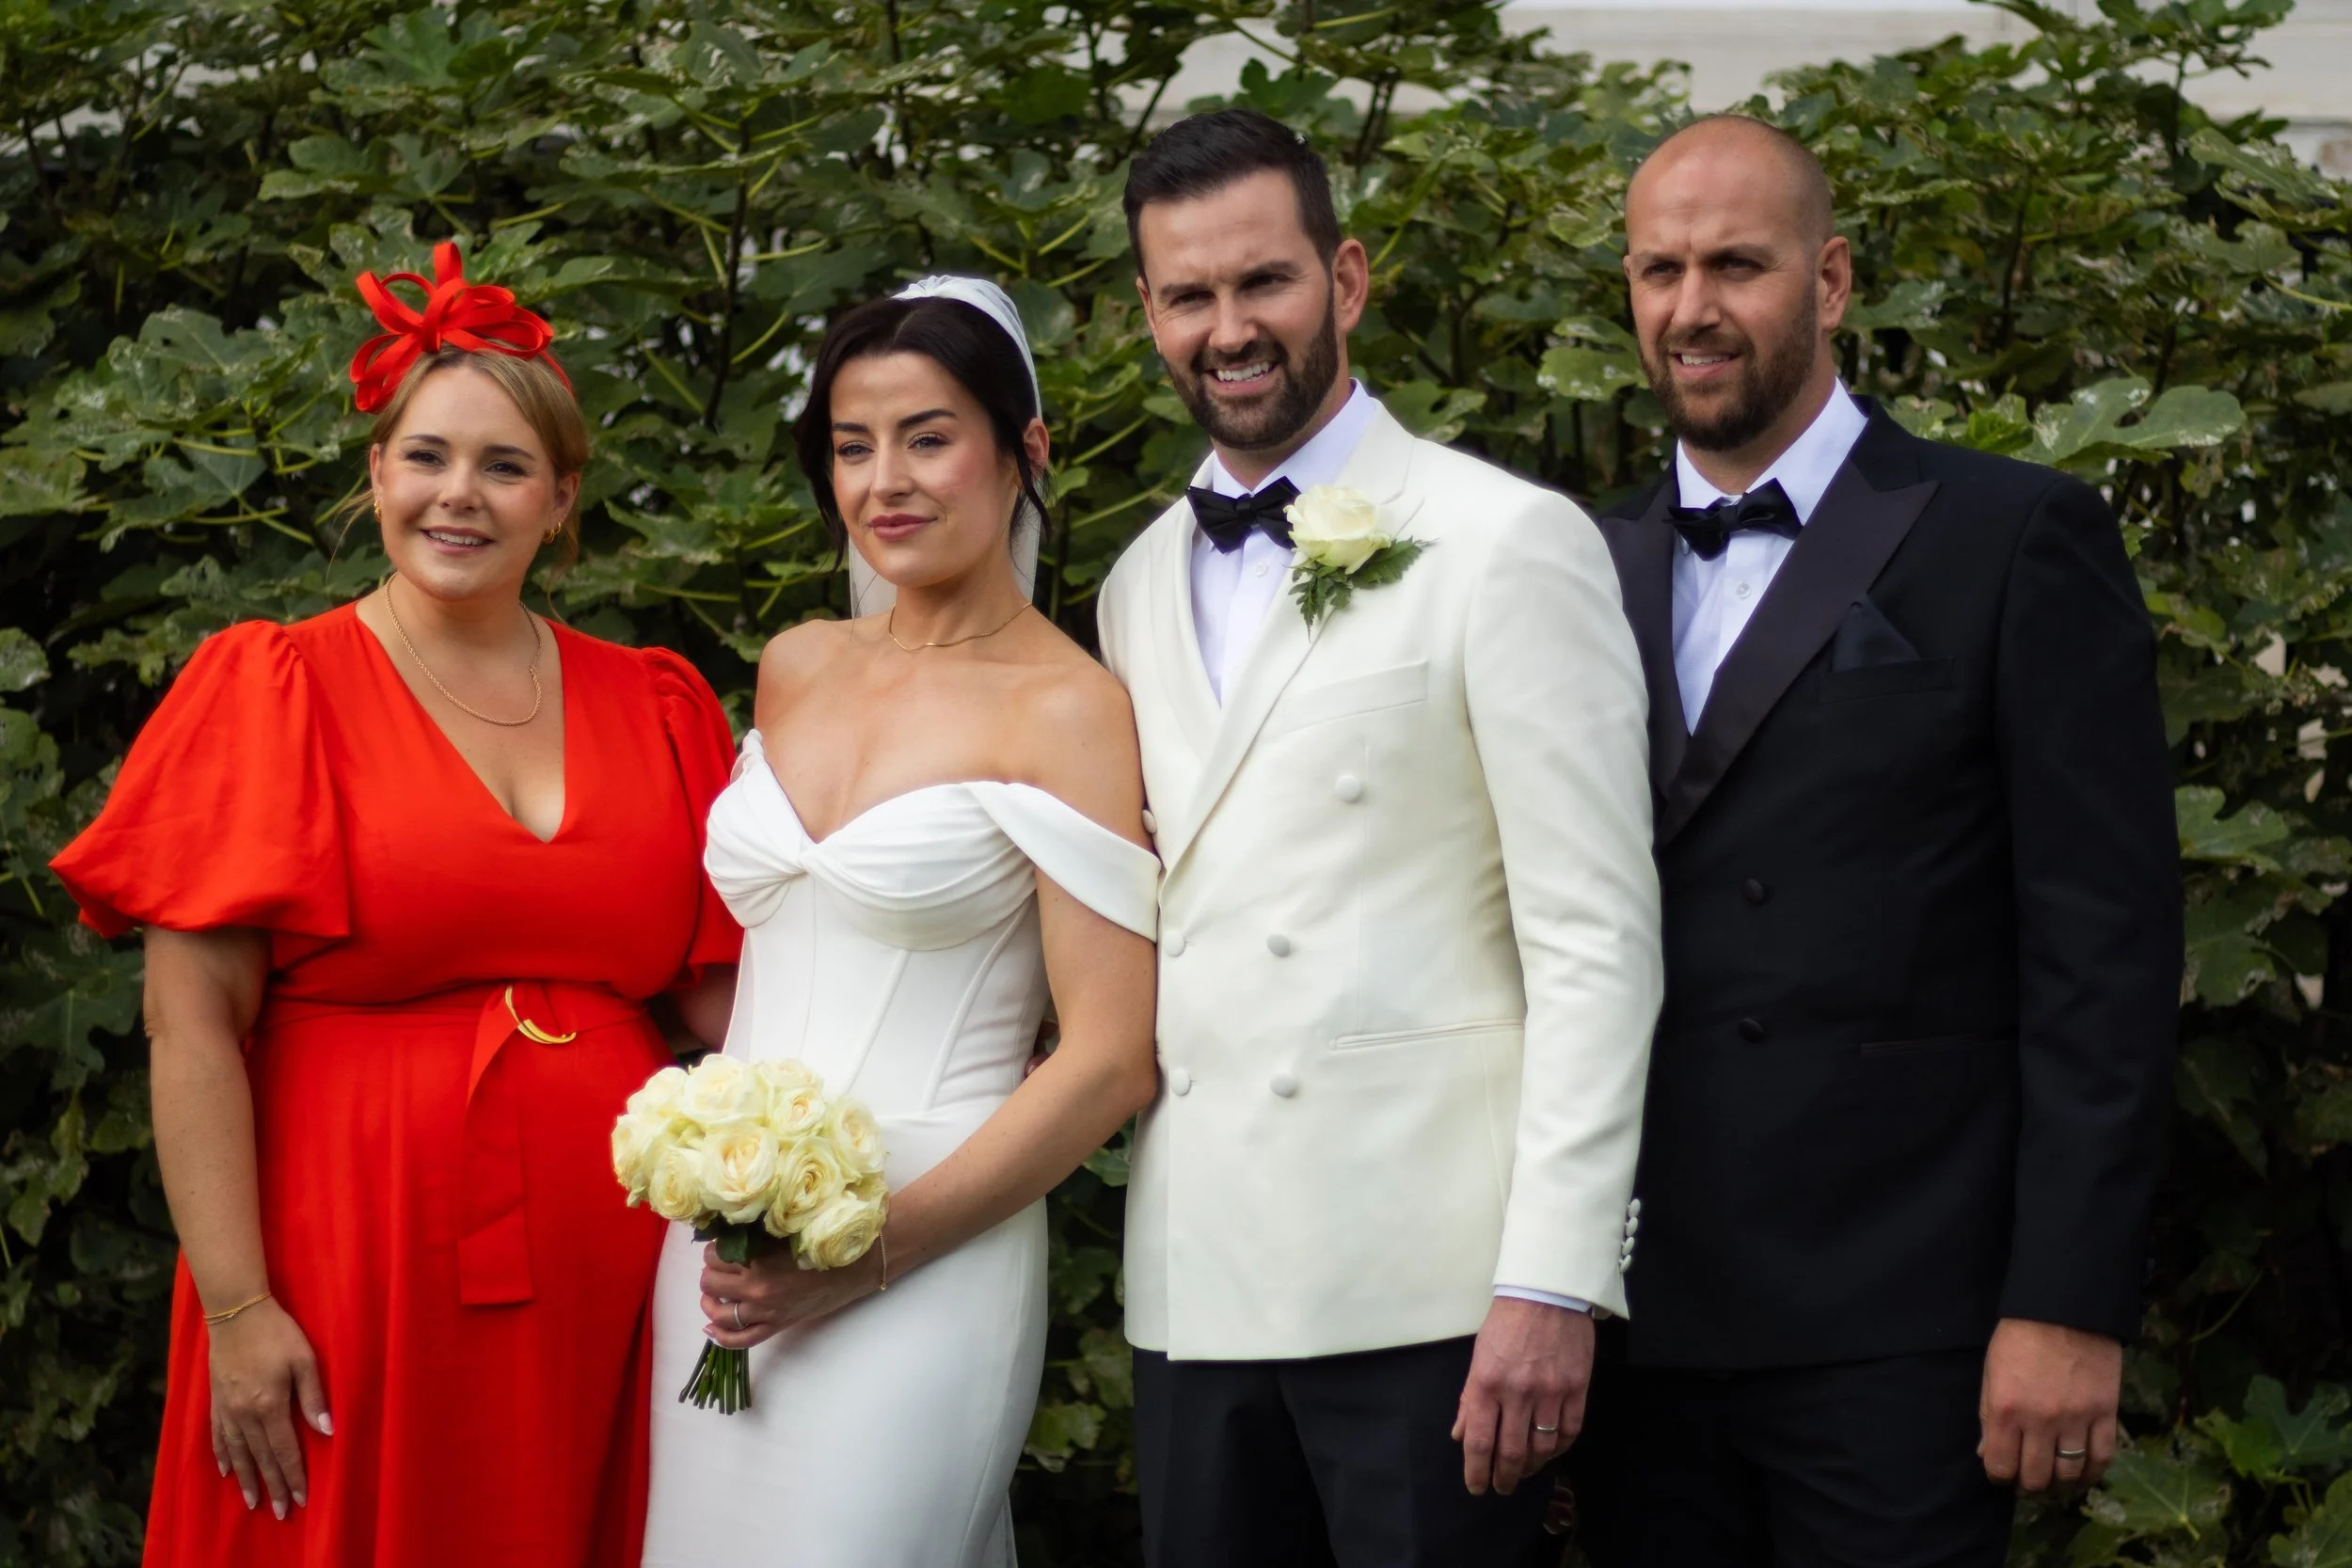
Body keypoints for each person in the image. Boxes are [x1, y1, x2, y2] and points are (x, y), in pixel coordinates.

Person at [48, 243, 742, 1567]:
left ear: (563, 496)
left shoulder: (655, 702)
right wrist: (243, 1306)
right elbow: (190, 1024)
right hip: (345, 1253)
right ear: (376, 474)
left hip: (610, 1273)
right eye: (425, 456)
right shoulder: (276, 687)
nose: (457, 495)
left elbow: (723, 996)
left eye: (503, 465)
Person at [1568, 116, 2180, 1567]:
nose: (1693, 307)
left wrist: (2070, 1298)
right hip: (1645, 1316)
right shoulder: (1575, 564)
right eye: (1660, 268)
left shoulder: (2015, 533)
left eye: (1738, 264)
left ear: (1831, 279)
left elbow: (2105, 953)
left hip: (1906, 1319)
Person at [1094, 107, 1663, 1568]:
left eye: (1263, 282)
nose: (1230, 328)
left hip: (1438, 1299)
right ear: (1148, 314)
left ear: (1344, 280)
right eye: (1189, 296)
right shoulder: (1135, 581)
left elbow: (1597, 945)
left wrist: (1554, 1275)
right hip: (1197, 1287)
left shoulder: (1506, 540)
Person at [637, 277, 1161, 1568]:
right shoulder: (798, 663)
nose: (886, 481)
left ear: (1023, 450)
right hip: (718, 1242)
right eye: (852, 446)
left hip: (928, 1248)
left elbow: (1108, 1058)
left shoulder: (1071, 708)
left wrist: (863, 1254)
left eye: (928, 437)